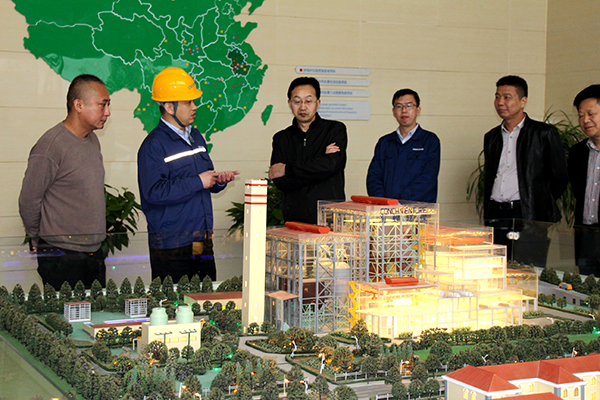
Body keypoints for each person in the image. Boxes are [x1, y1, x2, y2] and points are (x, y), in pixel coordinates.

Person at [138, 67, 239, 282]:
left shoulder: (196, 136)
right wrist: (198, 181)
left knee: (205, 296)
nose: (194, 107)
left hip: (201, 239)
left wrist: (218, 181)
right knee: (174, 300)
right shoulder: (153, 145)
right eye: (188, 102)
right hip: (171, 245)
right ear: (169, 107)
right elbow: (153, 192)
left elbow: (205, 178)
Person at [19, 74, 110, 289]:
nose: (107, 112)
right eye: (102, 105)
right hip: (61, 255)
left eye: (108, 105)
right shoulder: (51, 146)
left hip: (94, 252)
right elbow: (29, 199)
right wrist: (37, 237)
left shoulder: (92, 140)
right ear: (78, 105)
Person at [483, 75, 568, 266]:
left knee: (528, 270)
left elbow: (560, 177)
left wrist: (538, 202)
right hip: (497, 213)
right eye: (497, 97)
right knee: (497, 268)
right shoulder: (492, 137)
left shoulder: (544, 133)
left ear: (523, 101)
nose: (500, 102)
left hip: (527, 213)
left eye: (507, 97)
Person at [268, 77, 347, 224]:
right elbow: (281, 182)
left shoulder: (334, 130)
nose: (303, 107)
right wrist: (320, 165)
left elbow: (332, 165)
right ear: (289, 104)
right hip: (295, 218)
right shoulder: (281, 138)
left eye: (308, 101)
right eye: (297, 101)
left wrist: (287, 169)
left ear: (318, 103)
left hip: (329, 217)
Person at [366, 89, 440, 202]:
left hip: (418, 208)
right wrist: (382, 201)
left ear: (418, 110)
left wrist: (401, 202)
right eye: (399, 106)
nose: (404, 110)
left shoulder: (430, 140)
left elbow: (428, 177)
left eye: (409, 106)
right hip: (386, 207)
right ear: (393, 111)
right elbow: (374, 176)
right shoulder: (385, 142)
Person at [569, 84, 600, 275]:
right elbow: (577, 191)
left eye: (591, 114)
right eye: (581, 115)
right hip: (585, 237)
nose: (585, 120)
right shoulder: (577, 152)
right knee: (585, 287)